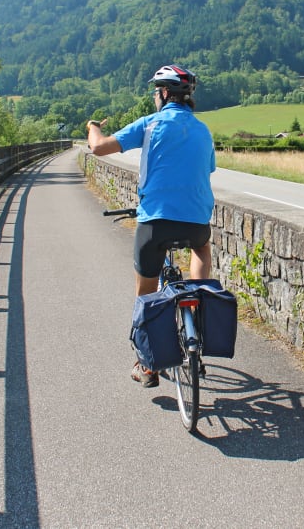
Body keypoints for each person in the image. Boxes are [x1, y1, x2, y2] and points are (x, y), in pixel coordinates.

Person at [86, 64, 216, 387]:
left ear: (164, 94)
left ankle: (148, 365)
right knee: (201, 246)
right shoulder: (203, 130)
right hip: (196, 221)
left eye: (156, 92)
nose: (155, 97)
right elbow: (206, 169)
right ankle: (198, 306)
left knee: (145, 294)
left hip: (155, 223)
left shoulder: (150, 124)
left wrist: (91, 126)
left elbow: (98, 147)